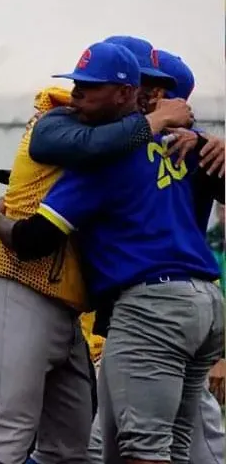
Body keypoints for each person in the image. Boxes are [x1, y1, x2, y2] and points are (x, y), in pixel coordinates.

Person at [0, 41, 223, 463]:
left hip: (152, 304)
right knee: (172, 449)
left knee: (141, 450)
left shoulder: (111, 153)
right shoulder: (184, 144)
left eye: (151, 86)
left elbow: (36, 240)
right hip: (206, 304)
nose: (79, 96)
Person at [80, 47, 226, 464]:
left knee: (162, 449)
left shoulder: (173, 145)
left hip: (161, 306)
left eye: (149, 85)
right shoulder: (151, 140)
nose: (137, 91)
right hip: (171, 306)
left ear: (173, 98)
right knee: (115, 446)